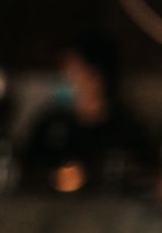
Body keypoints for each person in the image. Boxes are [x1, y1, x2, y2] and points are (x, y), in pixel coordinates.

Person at [22, 32, 157, 193]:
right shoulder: (50, 125)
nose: (65, 78)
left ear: (96, 76)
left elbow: (147, 177)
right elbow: (25, 171)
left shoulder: (126, 130)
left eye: (72, 70)